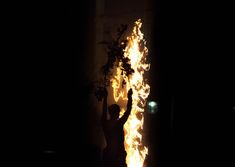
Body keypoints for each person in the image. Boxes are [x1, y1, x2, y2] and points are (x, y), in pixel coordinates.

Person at [101, 88, 133, 167]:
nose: (119, 114)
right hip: (118, 158)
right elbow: (128, 111)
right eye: (118, 112)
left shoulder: (105, 124)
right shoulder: (119, 124)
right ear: (116, 113)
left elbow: (104, 113)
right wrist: (130, 97)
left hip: (109, 157)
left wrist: (105, 98)